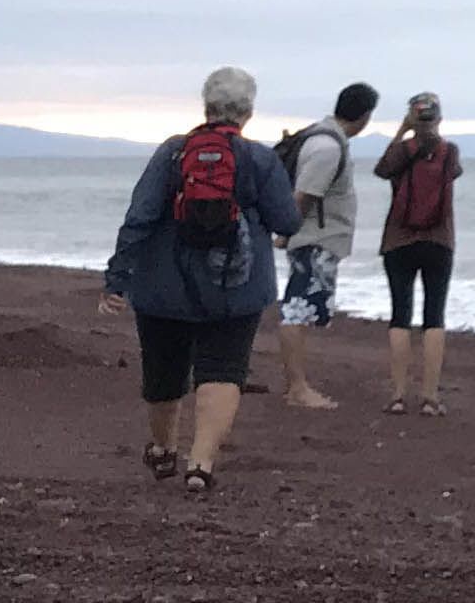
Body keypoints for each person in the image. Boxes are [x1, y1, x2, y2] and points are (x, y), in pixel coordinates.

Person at [98, 66, 298, 493]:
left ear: (206, 106)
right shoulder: (260, 159)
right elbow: (287, 221)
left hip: (164, 284)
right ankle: (201, 464)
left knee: (163, 371)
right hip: (236, 287)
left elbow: (139, 216)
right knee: (223, 369)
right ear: (248, 112)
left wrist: (117, 278)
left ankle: (163, 448)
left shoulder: (173, 152)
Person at [267, 80, 378, 411]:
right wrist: (286, 232)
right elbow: (304, 196)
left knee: (300, 310)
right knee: (297, 310)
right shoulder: (328, 147)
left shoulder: (322, 138)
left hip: (314, 239)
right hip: (315, 241)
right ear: (365, 116)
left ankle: (297, 385)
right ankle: (297, 388)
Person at [374, 92, 463, 415]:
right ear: (439, 118)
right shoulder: (449, 151)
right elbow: (453, 173)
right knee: (434, 316)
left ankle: (398, 395)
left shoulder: (401, 151)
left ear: (412, 118)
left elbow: (382, 169)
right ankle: (430, 397)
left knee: (400, 315)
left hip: (398, 240)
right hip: (439, 239)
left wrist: (402, 131)